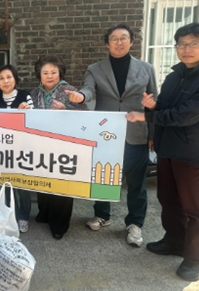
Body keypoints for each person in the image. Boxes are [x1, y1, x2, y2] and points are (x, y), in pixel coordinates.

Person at [127, 22, 199, 282]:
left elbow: (187, 115)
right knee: (169, 200)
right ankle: (175, 241)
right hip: (168, 149)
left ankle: (196, 259)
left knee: (197, 208)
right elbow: (165, 107)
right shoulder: (176, 75)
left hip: (195, 153)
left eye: (194, 44)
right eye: (182, 44)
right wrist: (152, 107)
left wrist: (145, 116)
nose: (187, 49)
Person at [67, 23, 157, 248]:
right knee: (103, 175)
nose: (119, 42)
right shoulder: (95, 69)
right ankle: (102, 215)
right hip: (106, 133)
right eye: (114, 38)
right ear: (107, 43)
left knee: (136, 182)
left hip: (136, 133)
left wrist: (153, 135)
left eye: (123, 38)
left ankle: (135, 223)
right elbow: (89, 90)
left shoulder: (146, 69)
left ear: (131, 41)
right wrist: (81, 96)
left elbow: (154, 103)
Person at [30, 56, 86, 240]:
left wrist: (66, 110)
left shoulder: (69, 90)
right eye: (45, 72)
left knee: (62, 184)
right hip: (41, 144)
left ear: (60, 73)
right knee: (43, 179)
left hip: (64, 144)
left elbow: (86, 115)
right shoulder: (35, 93)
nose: (49, 76)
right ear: (39, 75)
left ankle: (59, 224)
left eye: (53, 72)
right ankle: (45, 213)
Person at [0, 64, 34, 233]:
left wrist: (26, 111)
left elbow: (33, 120)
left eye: (9, 77)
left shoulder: (25, 96)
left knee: (22, 184)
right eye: (1, 78)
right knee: (5, 183)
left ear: (15, 79)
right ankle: (9, 214)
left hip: (22, 147)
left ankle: (24, 216)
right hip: (2, 148)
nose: (6, 81)